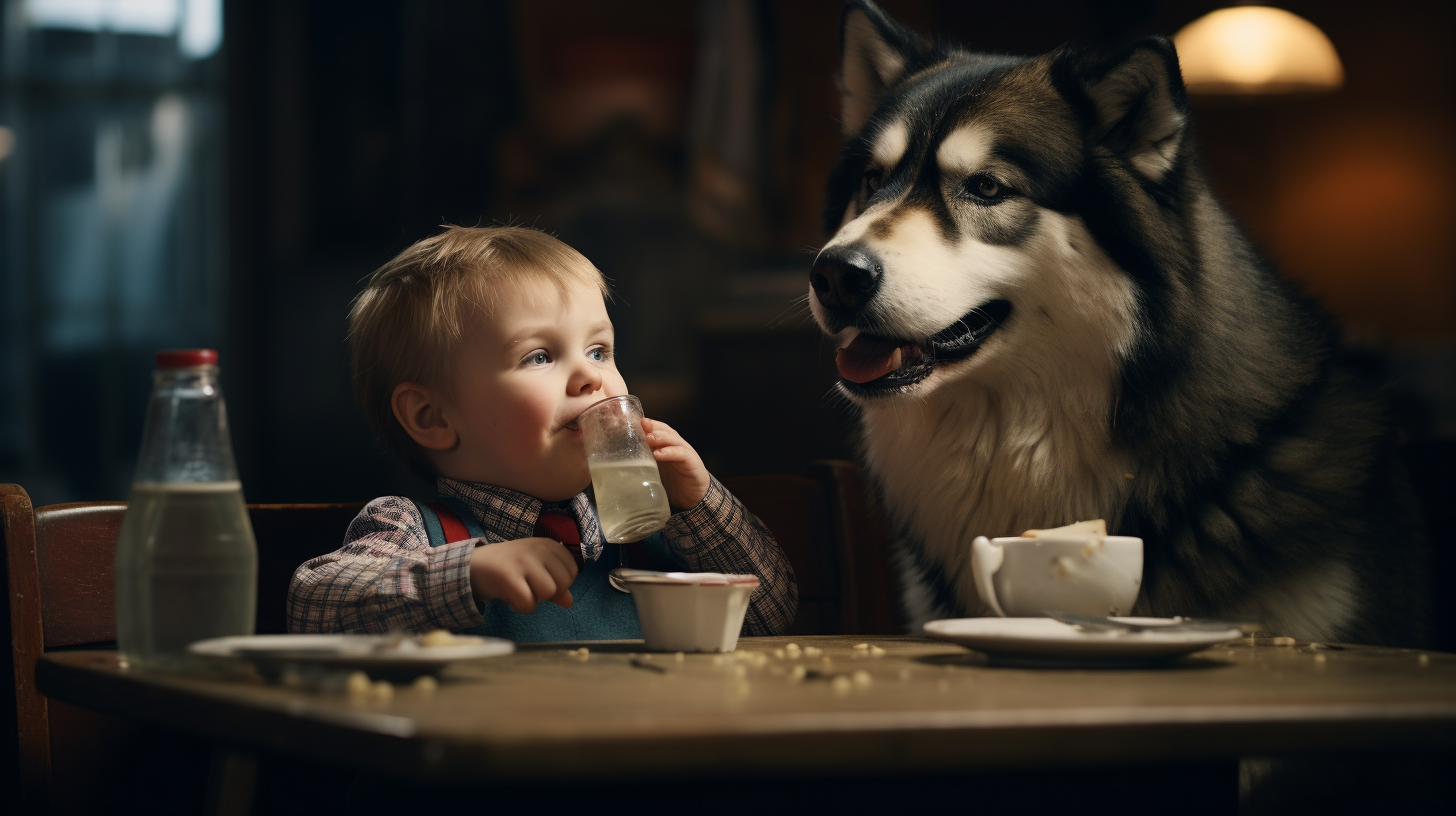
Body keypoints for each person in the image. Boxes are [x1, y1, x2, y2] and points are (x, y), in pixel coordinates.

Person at [287, 226, 797, 640]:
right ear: (433, 418)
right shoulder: (415, 532)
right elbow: (314, 605)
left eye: (599, 351)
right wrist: (467, 571)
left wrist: (698, 503)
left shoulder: (654, 530)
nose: (591, 376)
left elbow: (770, 616)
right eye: (540, 356)